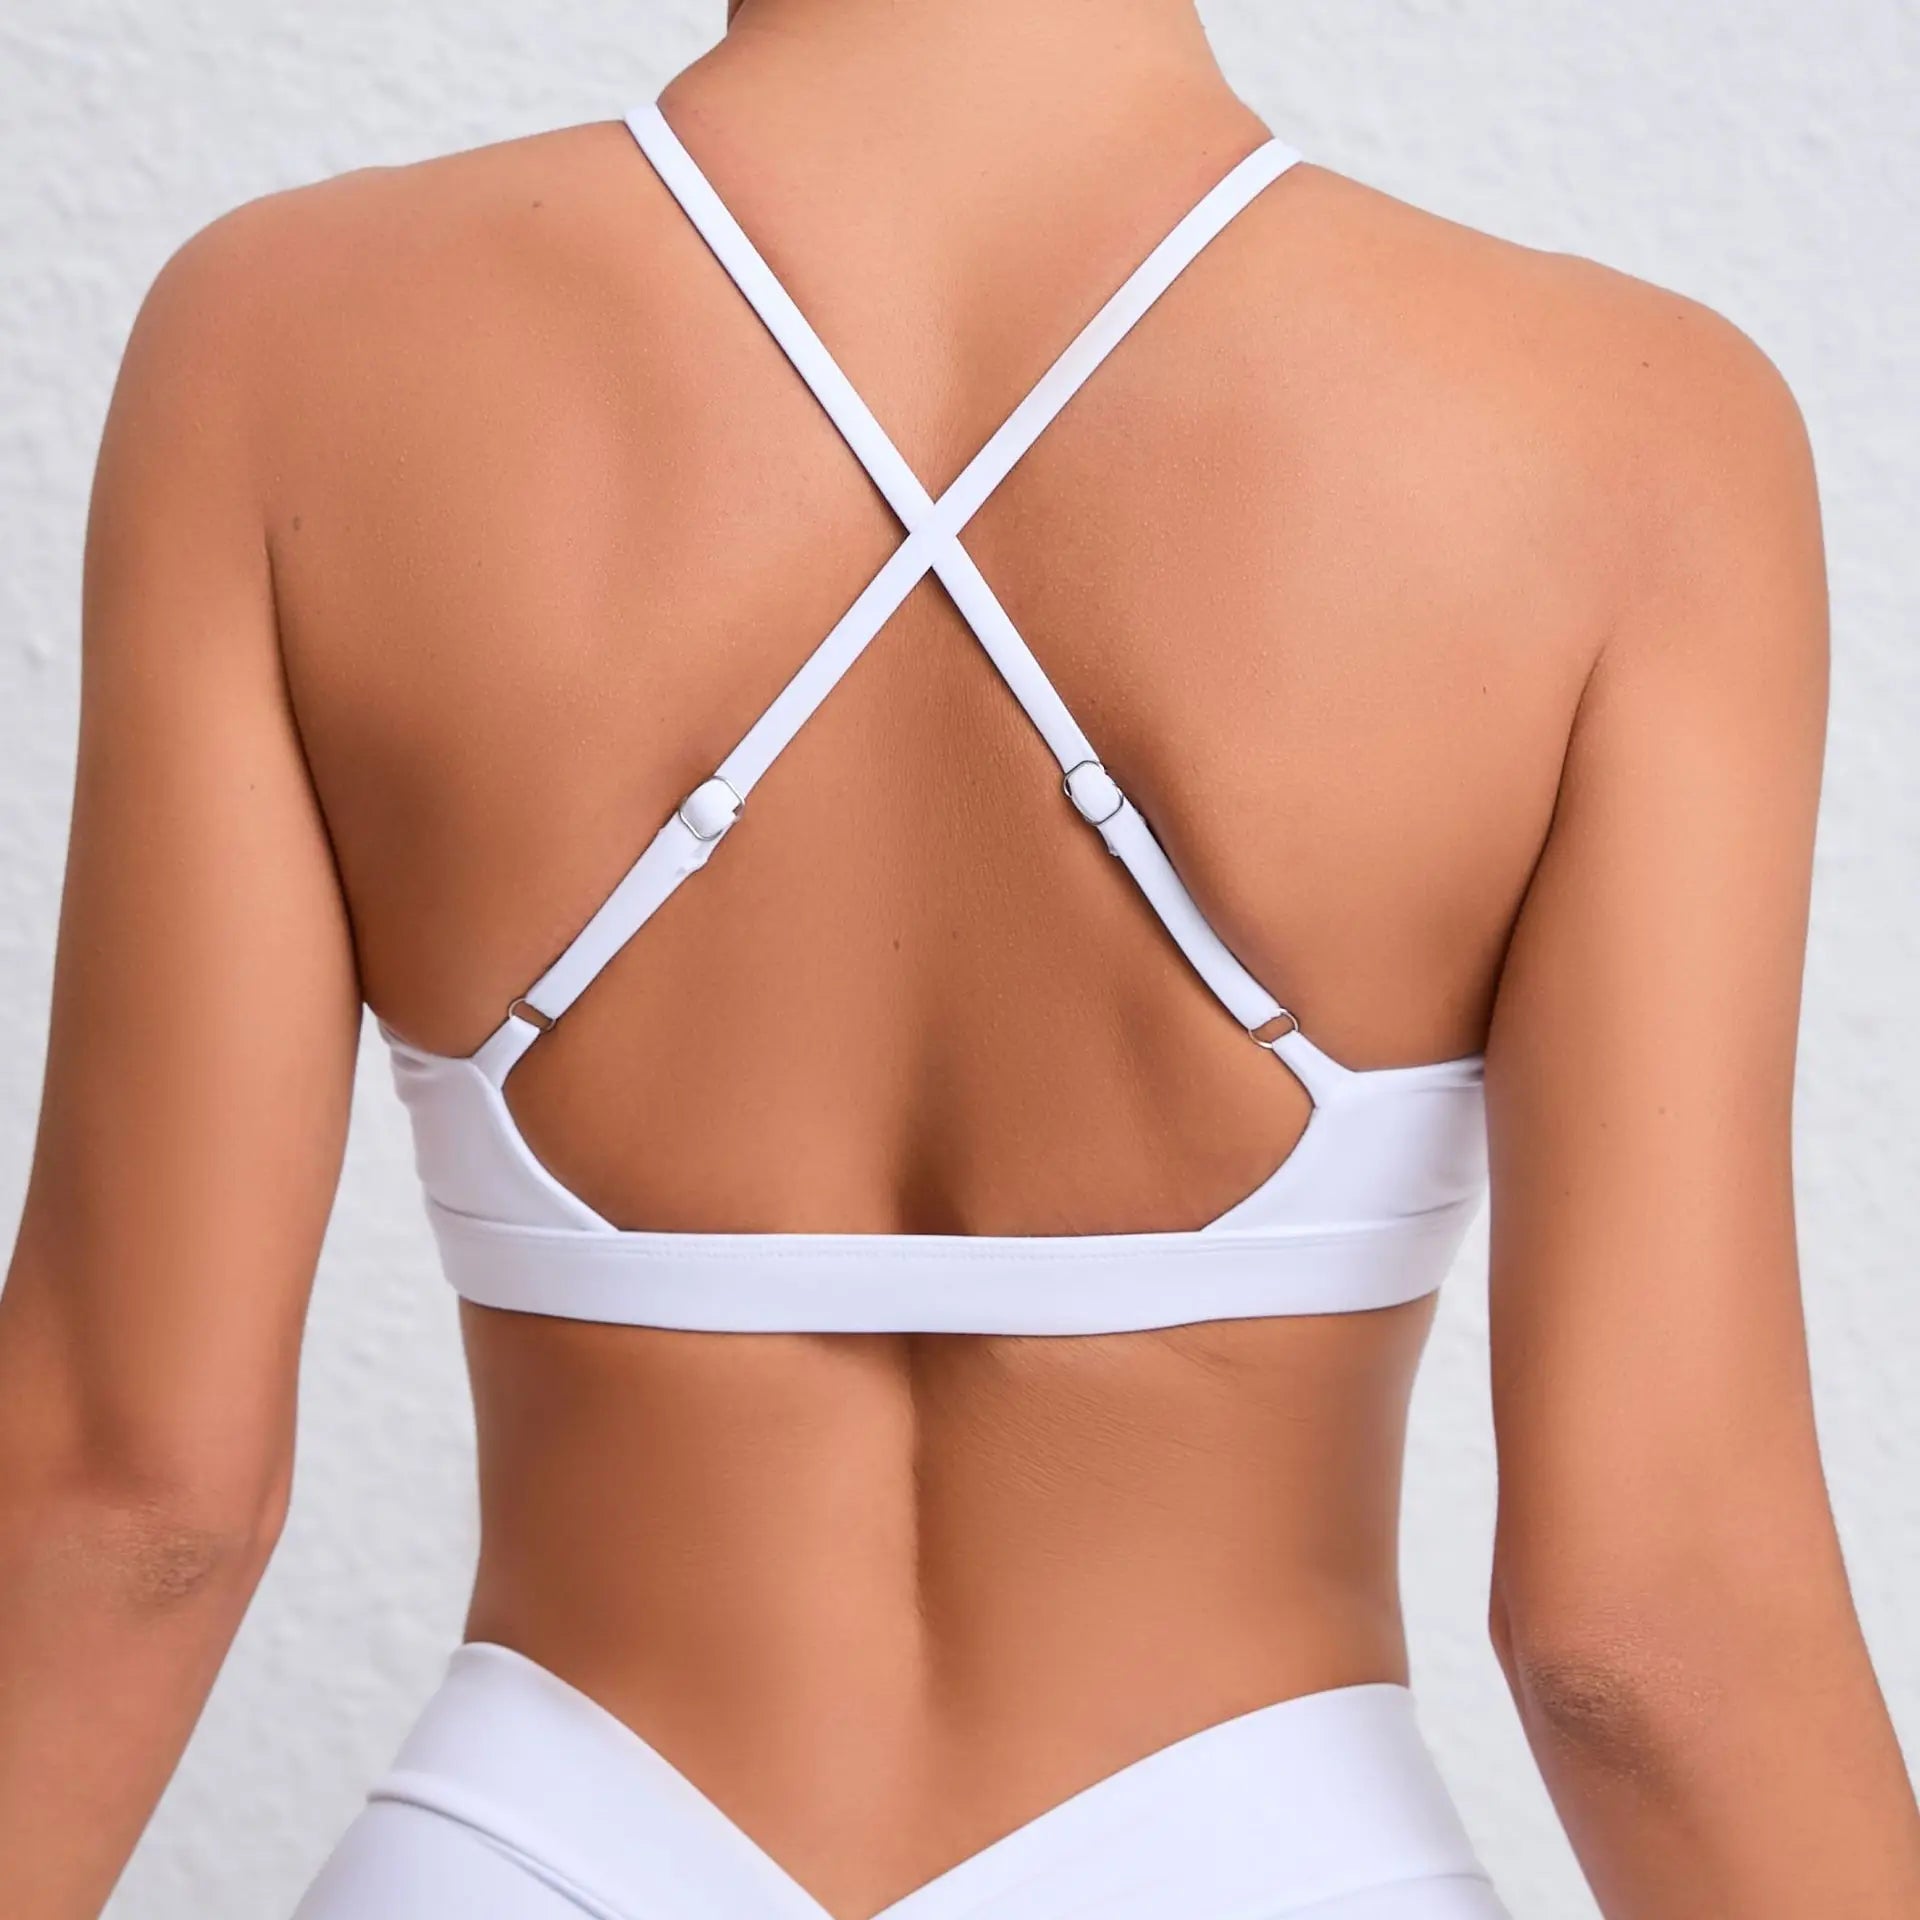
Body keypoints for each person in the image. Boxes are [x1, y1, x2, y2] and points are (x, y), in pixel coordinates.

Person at [3, 0, 1918, 1915]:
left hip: (526, 1848)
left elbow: (127, 1498)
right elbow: (1652, 1624)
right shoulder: (1629, 425)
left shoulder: (289, 344)